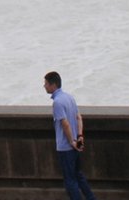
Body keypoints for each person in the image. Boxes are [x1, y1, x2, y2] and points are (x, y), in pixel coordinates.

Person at [44, 72, 97, 200]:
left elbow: (65, 124)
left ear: (53, 85)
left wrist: (71, 141)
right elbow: (79, 117)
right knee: (79, 175)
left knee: (70, 181)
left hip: (65, 147)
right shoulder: (70, 97)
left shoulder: (57, 102)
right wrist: (79, 137)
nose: (44, 86)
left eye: (46, 84)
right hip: (76, 144)